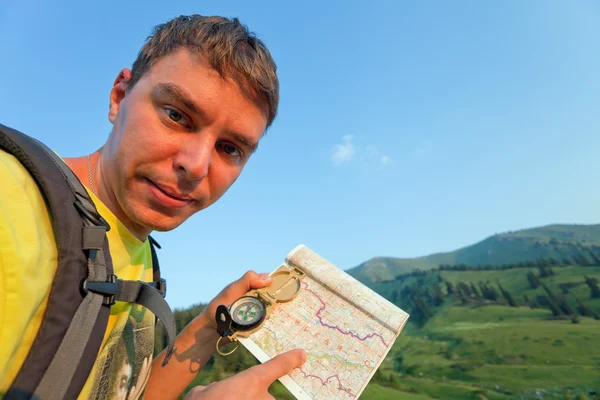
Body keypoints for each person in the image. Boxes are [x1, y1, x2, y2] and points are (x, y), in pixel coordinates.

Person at [0, 14, 306, 399]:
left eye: (229, 149)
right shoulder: (11, 203)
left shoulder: (139, 249)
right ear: (119, 97)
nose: (196, 166)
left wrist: (210, 325)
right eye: (176, 115)